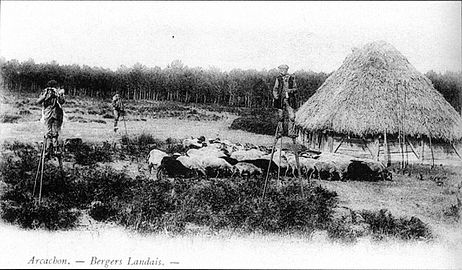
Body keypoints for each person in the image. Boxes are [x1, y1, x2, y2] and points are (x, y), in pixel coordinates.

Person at [36, 80, 66, 158]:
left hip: (56, 114)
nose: (51, 89)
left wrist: (59, 95)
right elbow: (38, 101)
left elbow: (62, 102)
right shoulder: (45, 92)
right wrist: (45, 96)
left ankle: (55, 149)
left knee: (55, 132)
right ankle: (48, 149)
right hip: (48, 114)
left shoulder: (58, 92)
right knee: (48, 132)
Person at [272, 64, 298, 139]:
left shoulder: (291, 78)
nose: (282, 71)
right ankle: (280, 132)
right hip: (280, 100)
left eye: (284, 69)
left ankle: (290, 132)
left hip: (289, 100)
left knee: (292, 116)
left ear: (287, 70)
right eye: (281, 69)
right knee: (280, 117)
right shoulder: (278, 78)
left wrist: (290, 91)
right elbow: (275, 89)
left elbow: (295, 89)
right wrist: (276, 96)